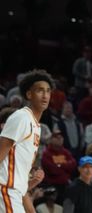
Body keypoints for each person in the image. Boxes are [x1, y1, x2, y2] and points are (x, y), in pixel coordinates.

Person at [0, 69, 52, 213]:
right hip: (5, 190)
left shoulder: (36, 126)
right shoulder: (22, 117)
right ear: (29, 94)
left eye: (48, 91)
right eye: (40, 90)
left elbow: (17, 181)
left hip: (14, 192)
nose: (45, 95)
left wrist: (31, 183)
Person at [41, 130, 77, 202]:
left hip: (65, 185)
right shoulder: (46, 153)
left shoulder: (65, 152)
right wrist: (65, 167)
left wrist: (60, 165)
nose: (59, 139)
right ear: (51, 139)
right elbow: (52, 170)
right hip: (52, 186)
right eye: (56, 137)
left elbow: (73, 164)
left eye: (61, 137)